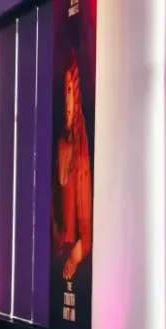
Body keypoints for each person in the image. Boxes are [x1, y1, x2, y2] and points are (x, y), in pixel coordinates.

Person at [54, 53, 92, 283]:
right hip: (58, 255)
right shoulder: (59, 145)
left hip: (76, 258)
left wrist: (82, 246)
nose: (67, 102)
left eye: (70, 90)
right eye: (63, 91)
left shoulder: (82, 149)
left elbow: (86, 211)